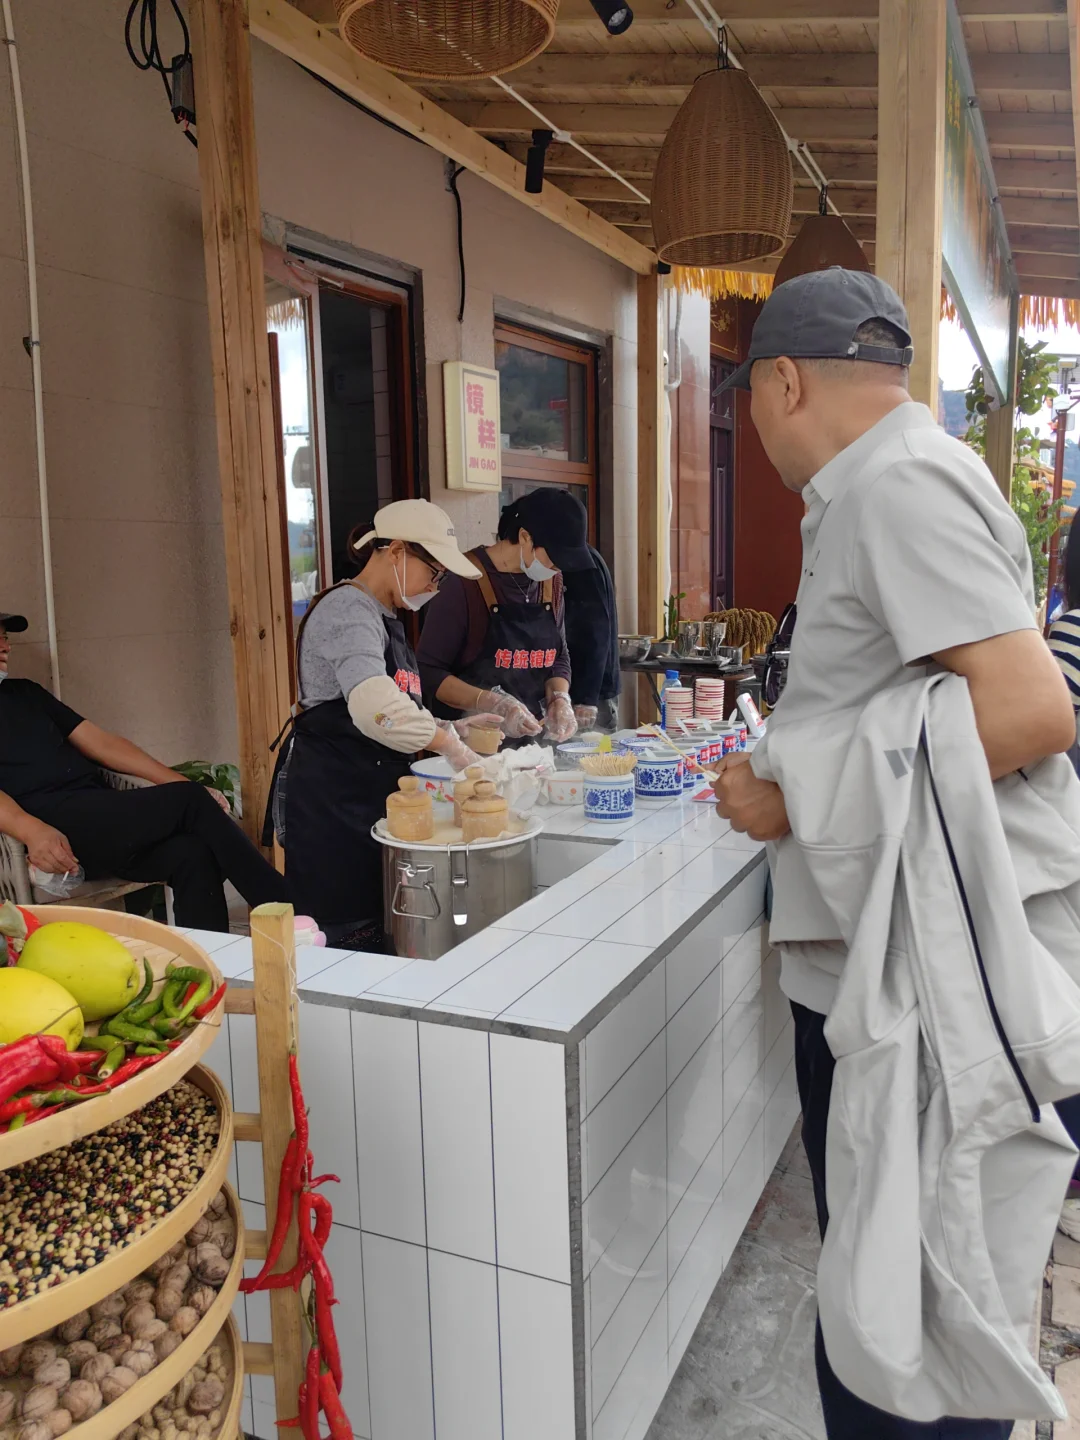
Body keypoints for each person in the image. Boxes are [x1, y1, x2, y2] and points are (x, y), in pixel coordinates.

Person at [711, 269, 1075, 1440]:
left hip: (917, 973)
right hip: (893, 950)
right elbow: (913, 696)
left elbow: (1029, 716)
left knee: (908, 1309)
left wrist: (791, 785)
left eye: (747, 399)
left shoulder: (897, 487)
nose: (751, 423)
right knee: (890, 1285)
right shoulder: (881, 484)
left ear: (782, 381)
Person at [269, 500, 492, 950]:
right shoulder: (348, 610)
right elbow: (374, 706)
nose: (435, 585)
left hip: (369, 798)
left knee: (382, 932)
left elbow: (398, 704)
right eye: (433, 571)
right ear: (395, 552)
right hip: (332, 805)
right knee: (342, 940)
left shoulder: (385, 616)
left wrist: (453, 727)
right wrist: (447, 743)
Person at [0, 610, 289, 931]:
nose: (6, 647)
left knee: (192, 855)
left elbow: (102, 744)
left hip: (102, 815)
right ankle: (288, 910)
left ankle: (211, 968)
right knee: (190, 801)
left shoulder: (25, 692)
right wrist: (30, 829)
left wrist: (182, 785)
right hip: (58, 830)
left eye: (5, 637)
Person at [416, 487, 589, 747]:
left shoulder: (550, 582)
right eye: (554, 558)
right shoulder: (464, 581)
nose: (557, 568)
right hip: (471, 747)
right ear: (524, 537)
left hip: (533, 746)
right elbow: (429, 672)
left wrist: (559, 699)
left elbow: (558, 657)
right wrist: (494, 703)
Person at [563, 543, 620, 731]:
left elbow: (596, 630)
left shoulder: (581, 563)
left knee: (594, 757)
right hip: (577, 689)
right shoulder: (578, 557)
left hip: (591, 693)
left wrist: (586, 698)